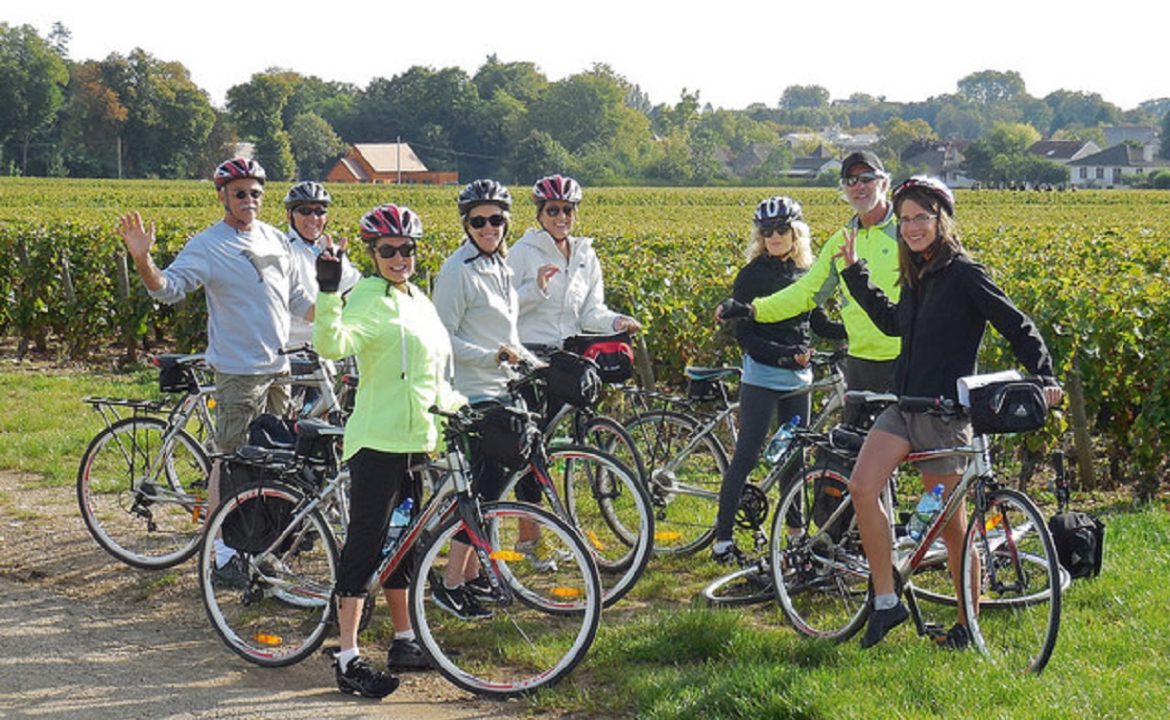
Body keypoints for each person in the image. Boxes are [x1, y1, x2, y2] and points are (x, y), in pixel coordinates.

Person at [835, 176, 1063, 649]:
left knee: (952, 528)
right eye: (905, 220)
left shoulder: (964, 274)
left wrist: (1044, 378)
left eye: (922, 217)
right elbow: (892, 324)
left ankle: (966, 626)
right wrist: (855, 272)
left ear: (942, 219)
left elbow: (1015, 323)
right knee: (862, 486)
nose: (912, 227)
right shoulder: (916, 275)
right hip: (905, 408)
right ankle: (885, 601)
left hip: (944, 415)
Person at [116, 158, 313, 586]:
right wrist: (144, 260)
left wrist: (340, 307)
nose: (249, 200)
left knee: (275, 465)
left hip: (281, 368)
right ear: (222, 195)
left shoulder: (278, 240)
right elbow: (168, 290)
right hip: (239, 370)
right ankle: (222, 554)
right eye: (239, 192)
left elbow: (300, 301)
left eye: (256, 192)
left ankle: (262, 548)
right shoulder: (208, 244)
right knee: (229, 461)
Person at [313, 203, 464, 698]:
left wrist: (459, 408)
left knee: (405, 544)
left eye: (407, 249)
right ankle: (348, 653)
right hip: (376, 442)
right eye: (389, 250)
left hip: (417, 441)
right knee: (365, 545)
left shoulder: (419, 298)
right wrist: (329, 289)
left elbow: (434, 371)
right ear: (373, 253)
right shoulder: (368, 299)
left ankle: (404, 639)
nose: (400, 257)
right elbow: (332, 346)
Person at [711, 197, 846, 565]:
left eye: (781, 230)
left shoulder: (806, 273)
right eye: (766, 231)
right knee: (749, 454)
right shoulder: (752, 274)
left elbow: (816, 322)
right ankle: (722, 539)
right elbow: (746, 336)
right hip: (763, 375)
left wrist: (854, 330)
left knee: (793, 459)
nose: (773, 237)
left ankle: (796, 535)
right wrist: (783, 355)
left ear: (795, 233)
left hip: (799, 378)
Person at [717, 151, 900, 419]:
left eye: (867, 178)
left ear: (883, 182)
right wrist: (751, 310)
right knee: (859, 454)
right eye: (850, 180)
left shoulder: (907, 231)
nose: (859, 186)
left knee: (924, 452)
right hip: (861, 362)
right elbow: (806, 294)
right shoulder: (841, 240)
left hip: (906, 359)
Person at [432, 179, 540, 618]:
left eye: (496, 219)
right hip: (472, 393)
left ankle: (473, 575)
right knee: (482, 489)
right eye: (479, 220)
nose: (488, 227)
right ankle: (452, 580)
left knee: (493, 487)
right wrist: (493, 357)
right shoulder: (458, 270)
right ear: (466, 224)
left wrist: (533, 362)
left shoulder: (502, 266)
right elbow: (443, 338)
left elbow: (508, 336)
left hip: (502, 389)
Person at [507, 173, 640, 356]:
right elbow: (502, 309)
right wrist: (535, 289)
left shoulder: (586, 255)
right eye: (553, 210)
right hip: (529, 355)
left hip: (570, 358)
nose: (561, 217)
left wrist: (616, 322)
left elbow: (590, 313)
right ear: (540, 215)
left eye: (567, 210)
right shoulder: (522, 251)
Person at [283, 181, 360, 348]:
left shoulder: (330, 250)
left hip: (330, 342)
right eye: (305, 211)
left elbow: (354, 290)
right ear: (289, 215)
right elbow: (295, 302)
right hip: (293, 346)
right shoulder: (283, 250)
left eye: (320, 212)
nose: (313, 218)